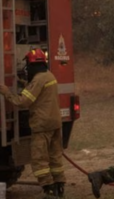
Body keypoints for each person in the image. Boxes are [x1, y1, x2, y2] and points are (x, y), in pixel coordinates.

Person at [0, 49, 65, 198]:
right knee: (55, 157)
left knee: (39, 160)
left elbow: (23, 102)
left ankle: (48, 189)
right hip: (55, 123)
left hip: (42, 125)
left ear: (31, 64)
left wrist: (6, 92)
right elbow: (37, 89)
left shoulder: (38, 80)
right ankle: (59, 187)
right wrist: (22, 82)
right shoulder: (49, 75)